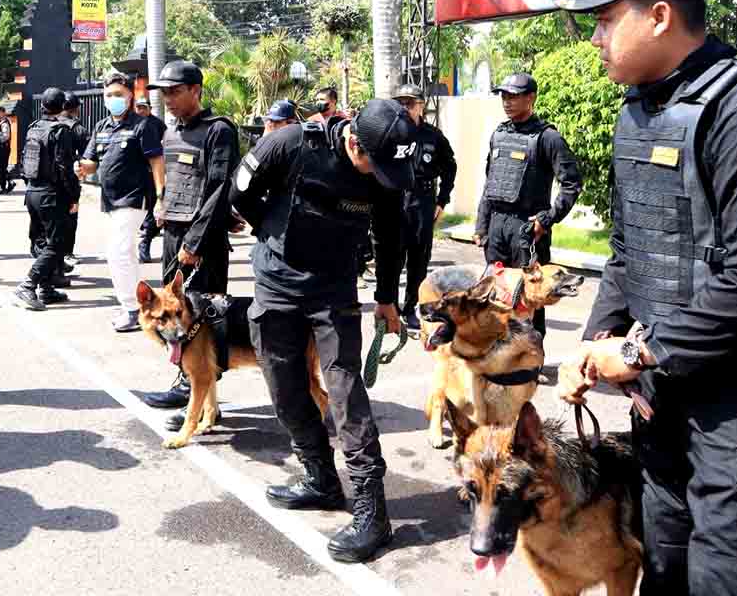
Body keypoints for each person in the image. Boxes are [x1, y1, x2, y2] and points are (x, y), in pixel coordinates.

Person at [556, 0, 737, 596]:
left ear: (662, 16)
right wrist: (595, 339)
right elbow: (630, 249)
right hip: (665, 410)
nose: (594, 38)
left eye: (606, 18)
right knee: (664, 575)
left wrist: (643, 353)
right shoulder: (642, 111)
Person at [231, 98, 417, 563]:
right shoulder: (289, 145)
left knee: (346, 393)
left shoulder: (386, 168)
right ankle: (320, 478)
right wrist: (273, 235)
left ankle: (373, 513)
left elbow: (391, 236)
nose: (377, 179)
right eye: (370, 165)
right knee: (286, 390)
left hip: (334, 291)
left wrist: (388, 298)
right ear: (352, 138)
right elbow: (240, 193)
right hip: (277, 284)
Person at [139, 61, 241, 410]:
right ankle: (194, 387)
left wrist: (195, 243)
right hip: (174, 233)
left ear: (195, 90)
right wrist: (160, 209)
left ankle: (190, 391)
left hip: (200, 241)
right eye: (163, 92)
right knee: (173, 311)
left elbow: (217, 187)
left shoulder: (219, 130)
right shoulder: (172, 131)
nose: (167, 99)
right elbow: (177, 181)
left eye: (174, 91)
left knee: (200, 318)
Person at [473, 72, 581, 334]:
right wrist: (482, 224)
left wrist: (547, 219)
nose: (507, 102)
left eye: (514, 96)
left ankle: (533, 360)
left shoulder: (547, 137)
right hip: (497, 227)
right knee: (496, 293)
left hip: (527, 229)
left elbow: (572, 183)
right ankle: (498, 356)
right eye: (504, 96)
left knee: (533, 296)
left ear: (531, 98)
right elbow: (491, 182)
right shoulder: (498, 134)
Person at [75, 72, 164, 332]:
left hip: (134, 198)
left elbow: (156, 161)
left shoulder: (142, 125)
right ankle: (142, 305)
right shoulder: (101, 127)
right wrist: (81, 168)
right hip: (110, 201)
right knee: (125, 254)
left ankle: (132, 309)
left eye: (119, 95)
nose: (113, 99)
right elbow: (92, 163)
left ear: (130, 96)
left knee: (116, 253)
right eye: (109, 95)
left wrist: (161, 198)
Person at [387, 85, 456, 332]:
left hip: (422, 201)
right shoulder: (389, 133)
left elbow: (450, 167)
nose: (405, 107)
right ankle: (390, 308)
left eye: (410, 102)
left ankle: (410, 308)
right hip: (395, 200)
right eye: (401, 102)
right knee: (393, 258)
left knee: (419, 259)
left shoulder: (433, 136)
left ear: (421, 105)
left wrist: (442, 201)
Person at [13, 88, 80, 311]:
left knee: (42, 241)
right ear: (62, 107)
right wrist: (74, 195)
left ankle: (47, 289)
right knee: (58, 243)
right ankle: (28, 284)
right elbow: (65, 169)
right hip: (51, 195)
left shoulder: (33, 128)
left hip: (32, 192)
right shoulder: (60, 131)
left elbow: (26, 162)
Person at [60, 93, 90, 269]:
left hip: (47, 183)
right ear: (75, 108)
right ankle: (66, 253)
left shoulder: (45, 124)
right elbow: (89, 153)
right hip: (70, 181)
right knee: (70, 216)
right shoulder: (77, 128)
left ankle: (50, 254)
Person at [135, 96, 163, 263]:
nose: (141, 110)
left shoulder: (157, 124)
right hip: (135, 176)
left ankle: (145, 242)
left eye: (143, 107)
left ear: (150, 108)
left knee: (155, 210)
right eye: (138, 107)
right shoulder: (131, 124)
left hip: (153, 173)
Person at [0, 105, 14, 193]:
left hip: (3, 148)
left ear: (3, 113)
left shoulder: (4, 123)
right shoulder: (0, 122)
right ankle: (9, 182)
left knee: (0, 167)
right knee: (1, 167)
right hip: (1, 148)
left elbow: (6, 136)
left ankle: (4, 187)